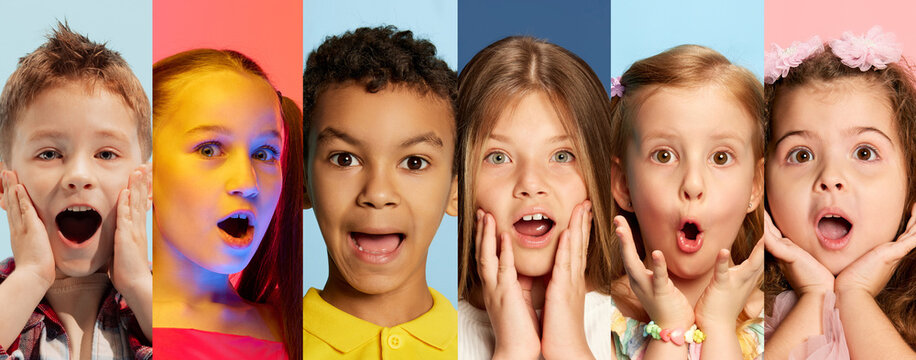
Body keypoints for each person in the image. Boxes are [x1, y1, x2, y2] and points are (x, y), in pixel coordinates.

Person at [302, 26, 458, 359]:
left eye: (414, 162)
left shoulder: (485, 346)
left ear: (456, 189)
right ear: (301, 180)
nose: (378, 193)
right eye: (344, 159)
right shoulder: (265, 344)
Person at [0, 22, 152, 359]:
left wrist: (139, 285)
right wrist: (29, 277)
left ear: (146, 186)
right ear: (3, 185)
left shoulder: (174, 301)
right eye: (49, 154)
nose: (79, 176)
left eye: (106, 154)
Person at [457, 36, 616, 360]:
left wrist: (569, 349)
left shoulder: (639, 323)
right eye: (498, 157)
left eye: (561, 156)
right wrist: (513, 351)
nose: (531, 184)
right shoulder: (436, 332)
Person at [763, 26, 916, 358]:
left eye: (864, 153)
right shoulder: (737, 309)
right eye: (801, 155)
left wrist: (855, 295)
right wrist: (814, 295)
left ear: (911, 180)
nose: (831, 177)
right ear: (761, 186)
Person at [608, 45, 765, 360]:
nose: (693, 184)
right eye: (664, 155)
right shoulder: (595, 319)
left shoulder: (779, 321)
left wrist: (718, 325)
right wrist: (670, 328)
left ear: (754, 186)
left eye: (720, 158)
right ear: (623, 184)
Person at [151, 49, 301, 359]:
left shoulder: (299, 328)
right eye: (209, 150)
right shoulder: (96, 326)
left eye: (264, 154)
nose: (247, 183)